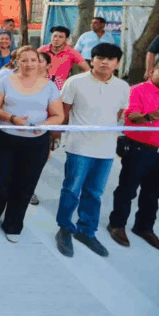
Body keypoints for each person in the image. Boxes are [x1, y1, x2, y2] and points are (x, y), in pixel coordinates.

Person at [51, 43, 130, 257]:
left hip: (106, 149)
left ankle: (86, 231)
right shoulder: (75, 82)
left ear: (117, 63)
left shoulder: (123, 87)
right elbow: (64, 113)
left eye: (110, 59)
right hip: (79, 146)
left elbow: (117, 115)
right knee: (71, 189)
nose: (104, 62)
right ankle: (64, 228)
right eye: (100, 57)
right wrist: (56, 136)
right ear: (92, 60)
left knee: (95, 193)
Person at [0, 46, 64, 243]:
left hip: (36, 142)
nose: (29, 64)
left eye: (33, 60)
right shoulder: (5, 81)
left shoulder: (50, 86)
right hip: (4, 139)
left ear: (40, 62)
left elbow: (58, 115)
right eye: (24, 60)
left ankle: (13, 223)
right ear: (17, 62)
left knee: (25, 184)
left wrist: (43, 125)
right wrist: (12, 118)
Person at [107, 55, 159, 252]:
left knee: (153, 194)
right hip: (139, 150)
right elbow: (131, 117)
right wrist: (151, 116)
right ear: (152, 71)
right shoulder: (137, 90)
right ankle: (117, 224)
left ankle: (144, 227)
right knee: (127, 190)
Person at [38, 26, 90, 90]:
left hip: (61, 87)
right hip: (41, 84)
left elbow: (87, 70)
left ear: (66, 40)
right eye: (54, 36)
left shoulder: (72, 52)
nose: (56, 39)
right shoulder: (42, 50)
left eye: (60, 37)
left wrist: (74, 83)